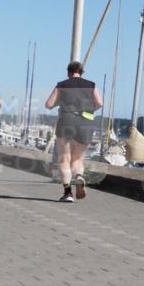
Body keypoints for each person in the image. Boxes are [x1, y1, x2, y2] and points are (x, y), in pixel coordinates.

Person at [44, 61, 103, 203]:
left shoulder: (62, 84)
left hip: (67, 120)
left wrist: (62, 101)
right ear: (81, 72)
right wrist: (88, 109)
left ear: (69, 73)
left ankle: (68, 193)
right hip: (86, 123)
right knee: (77, 158)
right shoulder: (91, 85)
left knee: (64, 159)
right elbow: (100, 103)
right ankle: (79, 177)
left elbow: (49, 104)